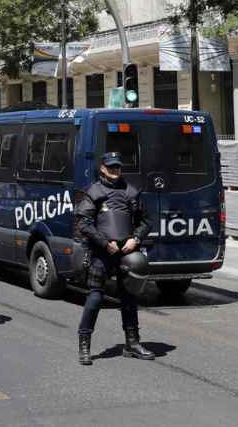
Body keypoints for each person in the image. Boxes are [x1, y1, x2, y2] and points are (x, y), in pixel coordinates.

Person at [74, 152, 155, 365]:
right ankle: (84, 344)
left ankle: (133, 343)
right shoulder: (95, 191)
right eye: (111, 167)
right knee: (95, 298)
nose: (115, 171)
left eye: (118, 167)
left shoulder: (131, 191)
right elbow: (84, 223)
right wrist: (104, 243)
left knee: (129, 298)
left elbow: (146, 221)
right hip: (102, 252)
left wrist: (136, 239)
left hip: (127, 252)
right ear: (102, 168)